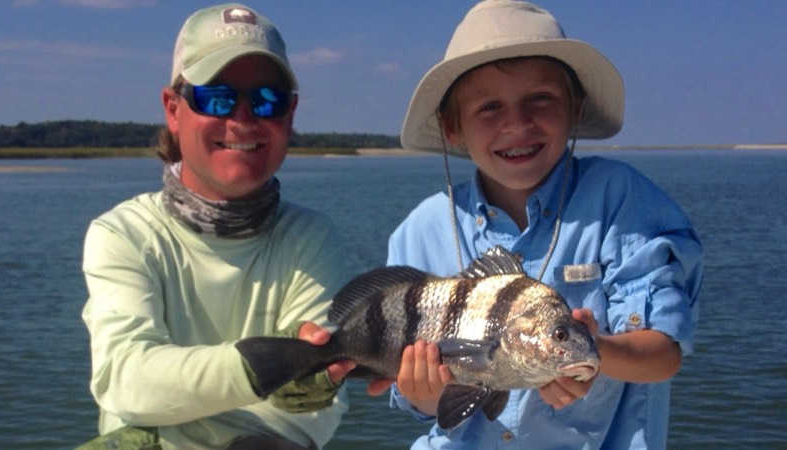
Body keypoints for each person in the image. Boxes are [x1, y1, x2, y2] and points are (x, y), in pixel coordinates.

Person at [377, 1, 703, 449]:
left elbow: (664, 354)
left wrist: (590, 353)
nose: (517, 122)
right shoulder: (421, 230)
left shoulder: (618, 199)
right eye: (489, 107)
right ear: (452, 127)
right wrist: (423, 393)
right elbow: (417, 402)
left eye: (540, 99)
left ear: (575, 107)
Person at [79, 4, 354, 449]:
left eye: (268, 99)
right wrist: (272, 362)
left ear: (290, 114)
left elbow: (311, 407)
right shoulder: (123, 233)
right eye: (218, 97)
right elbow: (125, 378)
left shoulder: (312, 238)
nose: (243, 119)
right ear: (173, 109)